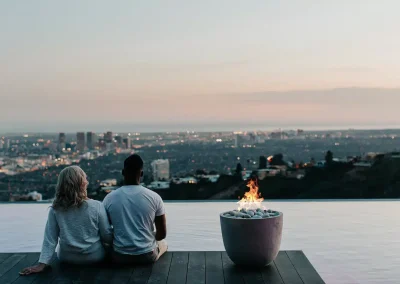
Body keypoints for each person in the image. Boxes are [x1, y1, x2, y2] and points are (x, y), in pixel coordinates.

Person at [20, 166, 112, 276]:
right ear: (82, 183)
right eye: (85, 178)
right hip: (94, 257)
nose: (87, 181)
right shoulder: (97, 206)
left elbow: (50, 239)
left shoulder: (56, 209)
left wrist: (42, 264)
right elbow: (107, 236)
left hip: (67, 258)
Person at [103, 154, 167, 264]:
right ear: (141, 173)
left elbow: (105, 231)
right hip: (147, 256)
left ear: (123, 172)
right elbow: (162, 234)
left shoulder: (109, 199)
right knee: (163, 243)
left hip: (119, 257)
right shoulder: (154, 197)